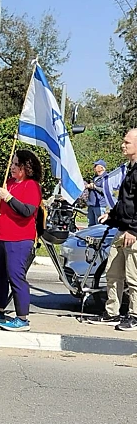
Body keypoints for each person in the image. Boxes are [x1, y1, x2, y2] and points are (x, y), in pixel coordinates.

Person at [0, 149, 43, 331]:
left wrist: (10, 198)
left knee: (16, 276)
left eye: (15, 164)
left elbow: (27, 211)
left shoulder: (31, 186)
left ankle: (22, 318)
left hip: (20, 239)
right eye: (12, 164)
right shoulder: (9, 183)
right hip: (3, 237)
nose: (11, 167)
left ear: (25, 167)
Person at [88, 129, 137, 330]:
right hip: (121, 229)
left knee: (133, 277)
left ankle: (134, 315)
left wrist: (134, 231)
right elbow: (125, 201)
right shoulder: (130, 170)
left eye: (127, 142)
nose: (122, 145)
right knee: (113, 273)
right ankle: (112, 313)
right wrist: (112, 215)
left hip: (132, 233)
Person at [84, 159, 108, 227]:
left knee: (99, 225)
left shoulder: (106, 178)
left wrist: (94, 187)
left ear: (101, 167)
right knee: (91, 225)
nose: (94, 167)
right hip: (91, 204)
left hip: (99, 205)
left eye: (96, 166)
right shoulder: (95, 177)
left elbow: (105, 191)